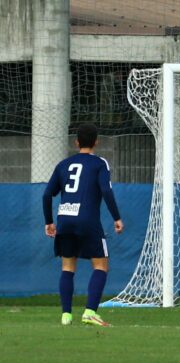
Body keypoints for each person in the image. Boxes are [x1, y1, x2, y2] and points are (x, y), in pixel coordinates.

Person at [43, 124, 124, 326]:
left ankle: (66, 316)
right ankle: (89, 312)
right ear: (96, 141)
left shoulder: (63, 164)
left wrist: (49, 222)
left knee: (68, 267)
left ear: (76, 142)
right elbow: (106, 190)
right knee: (101, 265)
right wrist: (116, 217)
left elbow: (46, 194)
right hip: (87, 219)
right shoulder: (99, 163)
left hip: (65, 218)